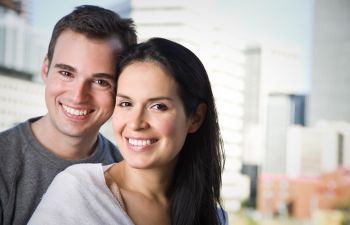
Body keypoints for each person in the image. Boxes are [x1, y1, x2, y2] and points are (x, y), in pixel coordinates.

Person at [28, 37, 227, 225]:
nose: (136, 123)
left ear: (196, 118)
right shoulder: (78, 191)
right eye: (125, 103)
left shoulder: (213, 215)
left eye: (158, 106)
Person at [0, 5, 137, 225]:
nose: (78, 96)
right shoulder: (4, 161)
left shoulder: (128, 174)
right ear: (46, 69)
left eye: (100, 81)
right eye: (66, 73)